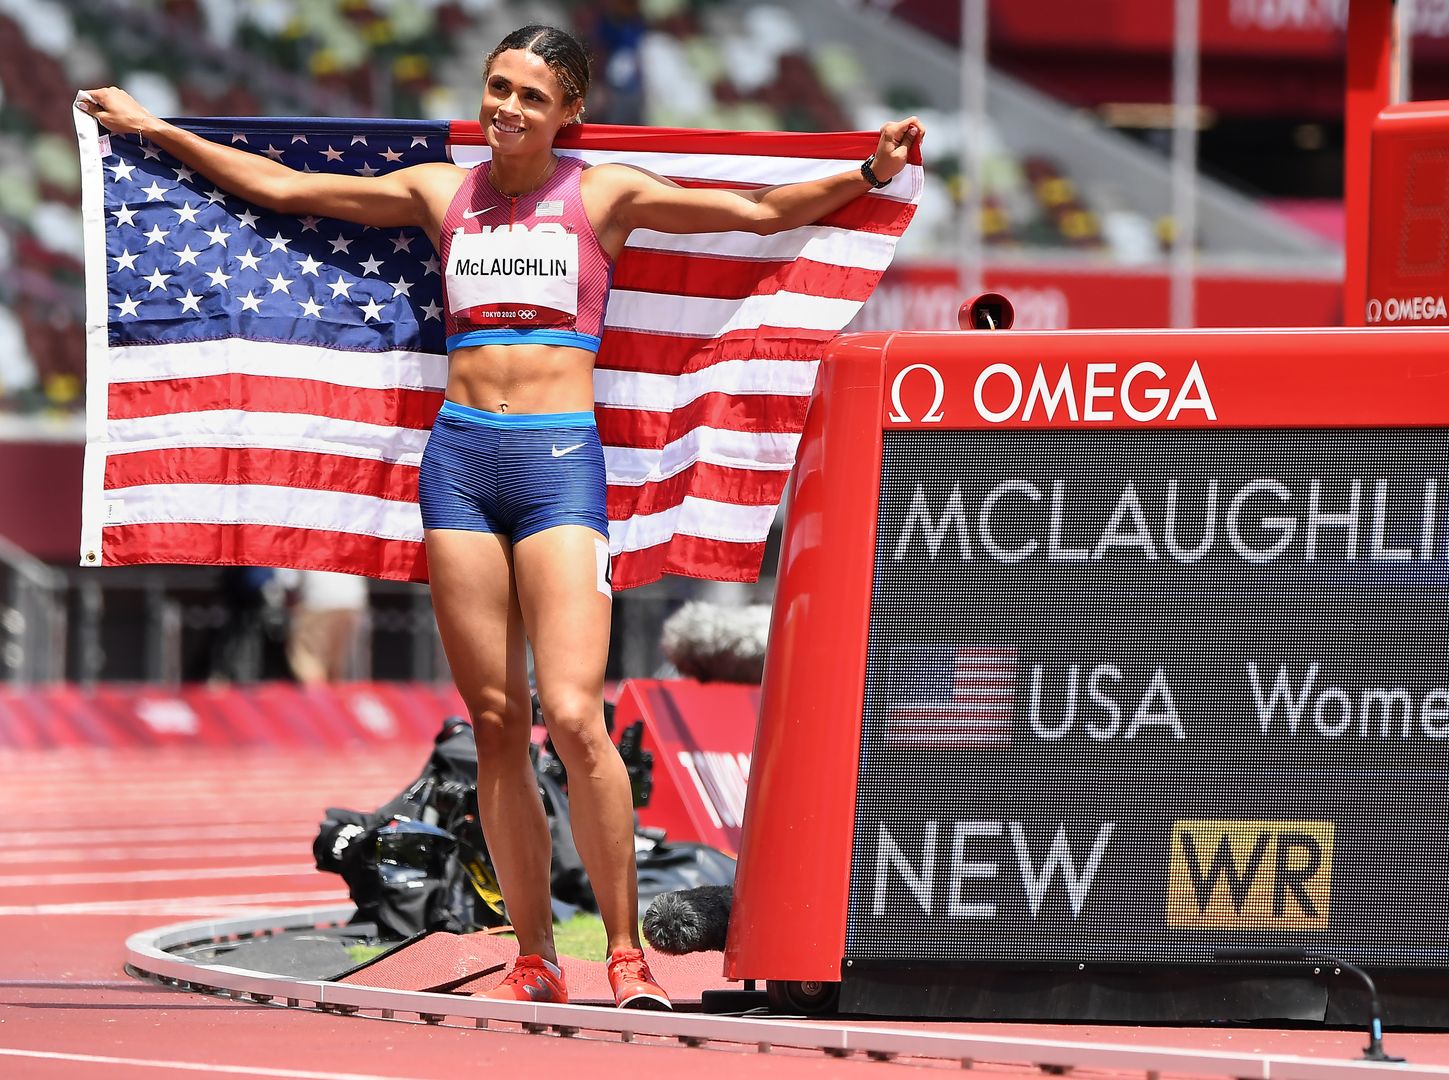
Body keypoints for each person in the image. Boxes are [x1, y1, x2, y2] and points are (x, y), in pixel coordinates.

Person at [77, 23, 922, 1010]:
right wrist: (152, 128)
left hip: (561, 465)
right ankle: (533, 954)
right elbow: (286, 190)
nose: (507, 109)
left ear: (569, 114)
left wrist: (867, 169)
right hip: (461, 465)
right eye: (498, 88)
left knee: (572, 712)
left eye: (531, 96)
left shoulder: (602, 194)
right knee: (494, 721)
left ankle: (624, 952)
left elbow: (758, 209)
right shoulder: (442, 192)